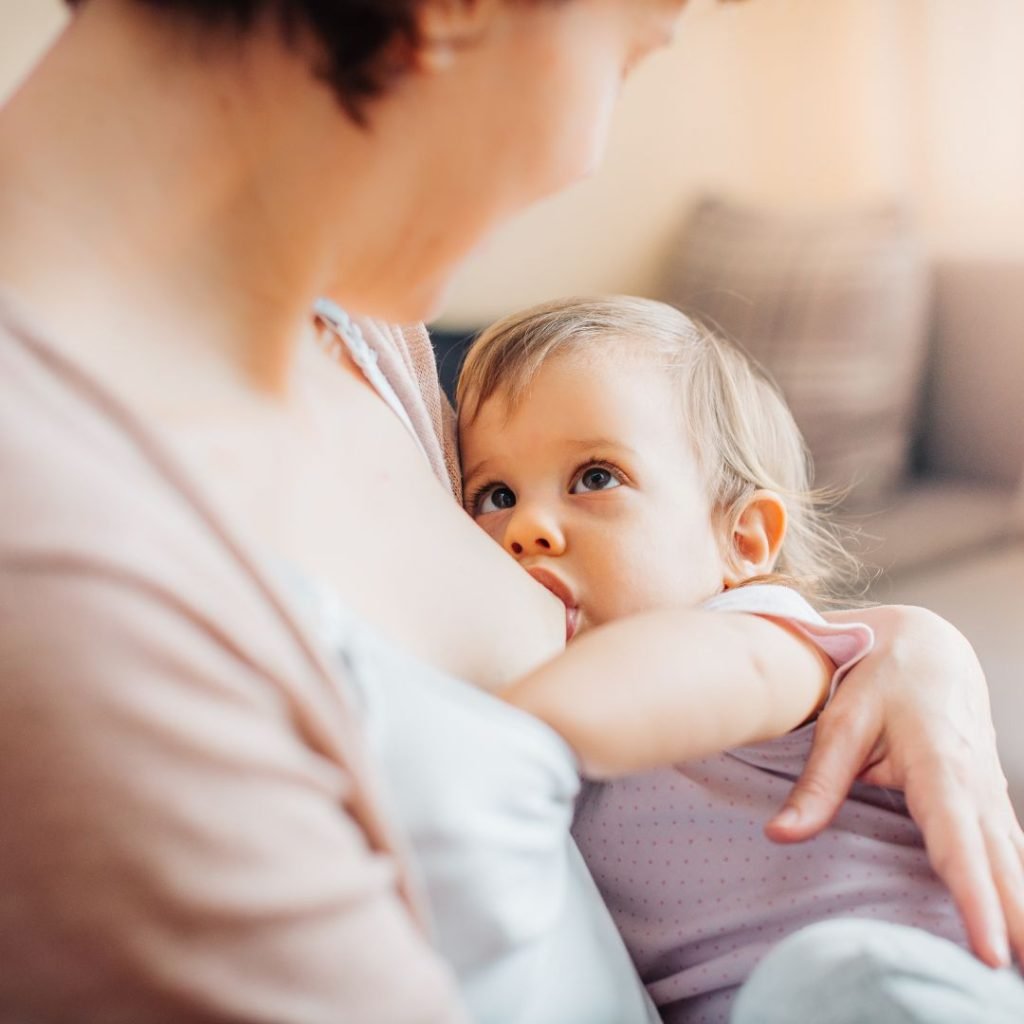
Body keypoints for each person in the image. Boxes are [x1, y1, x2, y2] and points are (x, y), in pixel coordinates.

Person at [0, 1, 1020, 1021]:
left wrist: (908, 648)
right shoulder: (63, 556)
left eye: (594, 478)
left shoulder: (372, 346)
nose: (586, 158)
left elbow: (733, 650)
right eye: (630, 51)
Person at [455, 295, 1024, 1022]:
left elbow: (627, 692)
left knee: (827, 977)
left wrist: (479, 729)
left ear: (743, 541)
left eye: (595, 477)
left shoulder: (766, 638)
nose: (526, 527)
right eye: (495, 495)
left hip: (914, 977)